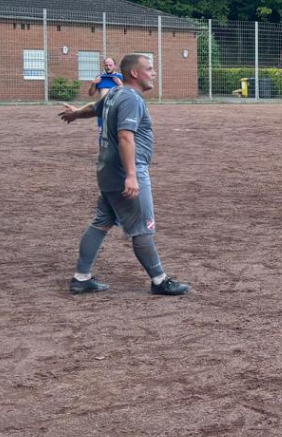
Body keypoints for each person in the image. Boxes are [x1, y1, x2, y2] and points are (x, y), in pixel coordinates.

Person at [57, 54, 191, 296]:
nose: (153, 73)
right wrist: (131, 175)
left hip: (107, 171)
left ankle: (81, 277)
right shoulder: (130, 98)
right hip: (125, 172)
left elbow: (95, 108)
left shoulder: (115, 94)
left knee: (101, 222)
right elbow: (125, 136)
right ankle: (160, 280)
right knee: (143, 229)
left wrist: (76, 113)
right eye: (149, 69)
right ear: (135, 73)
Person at [87, 57, 122, 130]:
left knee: (116, 132)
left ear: (115, 66)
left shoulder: (120, 77)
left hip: (116, 109)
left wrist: (120, 83)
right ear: (104, 66)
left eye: (110, 65)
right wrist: (93, 83)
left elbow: (128, 92)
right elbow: (91, 94)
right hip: (103, 108)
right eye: (106, 65)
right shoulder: (100, 77)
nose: (108, 67)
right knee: (102, 132)